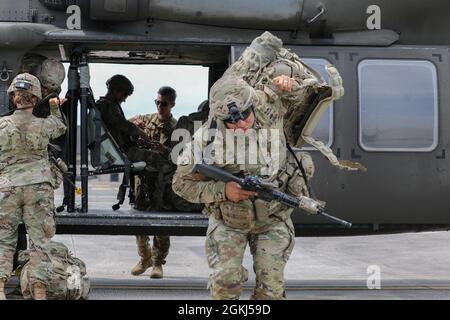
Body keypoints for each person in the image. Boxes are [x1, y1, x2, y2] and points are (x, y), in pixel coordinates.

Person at [0, 73, 66, 300]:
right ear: (36, 99)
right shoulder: (44, 125)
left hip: (7, 188)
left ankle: (0, 289)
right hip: (38, 187)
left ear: (13, 98)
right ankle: (39, 291)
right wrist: (55, 107)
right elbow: (60, 127)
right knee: (39, 240)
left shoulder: (1, 125)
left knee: (4, 238)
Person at [129, 86, 202, 279]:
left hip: (163, 181)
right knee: (139, 222)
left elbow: (182, 157)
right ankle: (144, 257)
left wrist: (165, 150)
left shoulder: (178, 128)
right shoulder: (147, 120)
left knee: (161, 223)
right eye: (157, 102)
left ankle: (157, 263)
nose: (160, 106)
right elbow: (127, 126)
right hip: (144, 180)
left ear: (172, 104)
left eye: (164, 103)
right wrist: (135, 125)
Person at [96, 74, 165, 170]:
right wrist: (142, 133)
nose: (124, 99)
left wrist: (134, 139)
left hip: (113, 151)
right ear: (116, 91)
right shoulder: (108, 106)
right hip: (117, 153)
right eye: (124, 95)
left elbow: (117, 130)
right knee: (159, 159)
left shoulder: (103, 105)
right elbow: (124, 125)